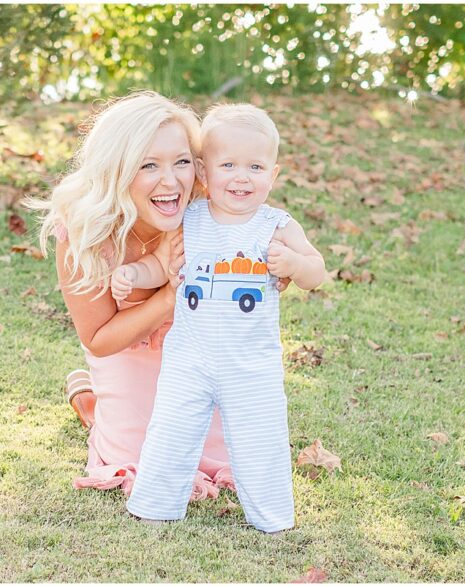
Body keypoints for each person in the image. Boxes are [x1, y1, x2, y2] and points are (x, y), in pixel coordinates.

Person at [120, 104, 325, 532]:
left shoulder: (276, 226)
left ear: (274, 174)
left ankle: (272, 517)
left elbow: (317, 271)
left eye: (255, 166)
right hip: (188, 359)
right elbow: (161, 266)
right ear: (202, 170)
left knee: (260, 437)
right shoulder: (189, 221)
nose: (241, 177)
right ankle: (156, 503)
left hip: (251, 365)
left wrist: (292, 264)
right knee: (171, 429)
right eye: (228, 164)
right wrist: (131, 274)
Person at [31, 91, 237, 501]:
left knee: (217, 455)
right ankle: (95, 408)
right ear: (118, 171)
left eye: (181, 162)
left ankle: (94, 404)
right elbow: (99, 339)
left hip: (196, 356)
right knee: (141, 456)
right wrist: (165, 298)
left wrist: (275, 272)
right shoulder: (86, 232)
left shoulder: (207, 209)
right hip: (123, 354)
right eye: (149, 165)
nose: (171, 181)